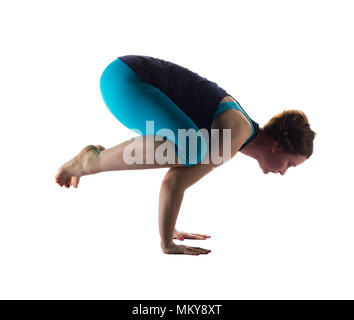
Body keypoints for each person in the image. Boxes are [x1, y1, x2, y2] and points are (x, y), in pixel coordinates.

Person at [55, 55, 316, 255]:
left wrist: (170, 229)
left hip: (123, 77)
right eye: (290, 165)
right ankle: (91, 161)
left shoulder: (239, 131)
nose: (283, 172)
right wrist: (167, 243)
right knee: (193, 148)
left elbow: (176, 177)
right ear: (277, 147)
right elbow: (174, 182)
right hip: (126, 81)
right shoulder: (236, 132)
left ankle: (95, 159)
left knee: (188, 144)